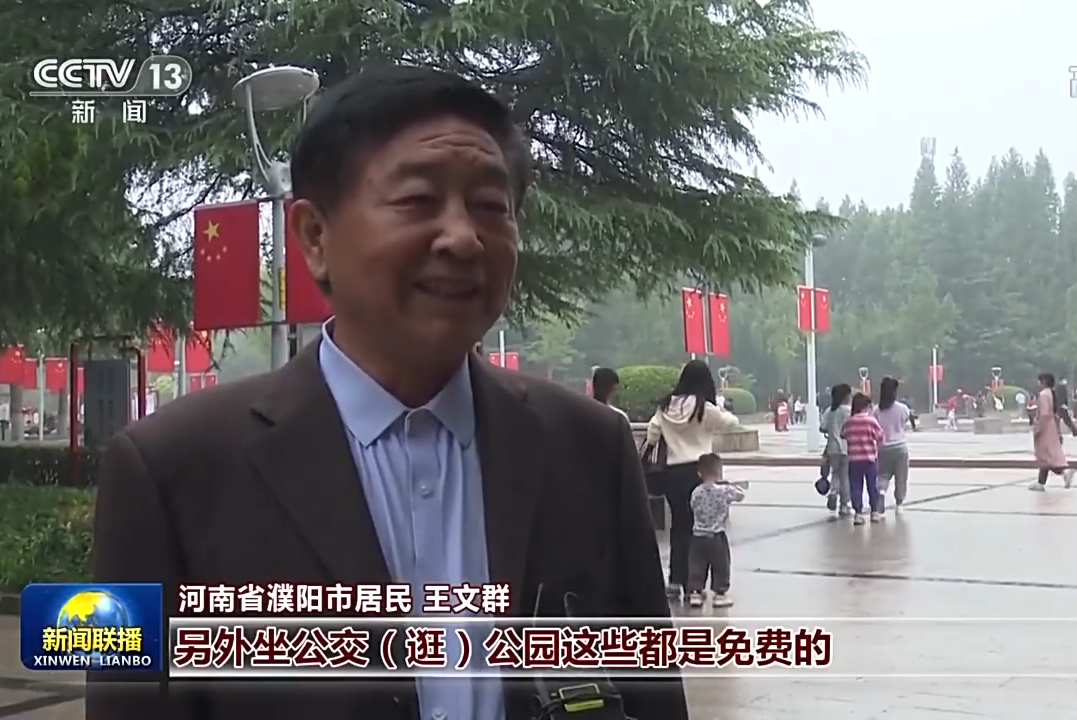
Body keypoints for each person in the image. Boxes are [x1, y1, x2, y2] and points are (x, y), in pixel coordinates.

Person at [88, 66, 688, 720]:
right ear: (315, 237)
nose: (462, 238)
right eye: (417, 200)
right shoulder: (173, 470)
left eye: (491, 207)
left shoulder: (589, 447)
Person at [645, 359, 740, 599]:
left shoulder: (665, 405)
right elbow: (731, 423)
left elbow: (652, 434)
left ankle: (675, 580)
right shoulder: (702, 407)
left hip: (672, 473)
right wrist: (721, 408)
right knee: (703, 529)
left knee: (679, 526)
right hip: (701, 472)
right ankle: (695, 585)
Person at [686, 453, 744, 609]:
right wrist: (731, 485)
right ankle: (719, 593)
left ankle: (696, 592)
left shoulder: (696, 492)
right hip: (717, 535)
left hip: (698, 536)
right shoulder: (724, 491)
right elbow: (740, 495)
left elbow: (692, 506)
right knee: (720, 565)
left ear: (699, 473)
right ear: (719, 471)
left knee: (697, 564)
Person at [840, 392, 884, 526]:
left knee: (856, 486)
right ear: (866, 406)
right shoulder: (871, 420)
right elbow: (880, 436)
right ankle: (874, 512)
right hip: (870, 459)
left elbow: (843, 434)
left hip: (854, 459)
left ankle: (858, 514)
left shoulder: (849, 421)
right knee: (872, 486)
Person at [1030, 372, 1077, 492]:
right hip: (1051, 427)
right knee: (1047, 457)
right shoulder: (1051, 393)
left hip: (1045, 428)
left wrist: (1038, 429)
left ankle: (1063, 473)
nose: (1038, 384)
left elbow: (1044, 414)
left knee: (1046, 457)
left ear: (1044, 382)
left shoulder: (1043, 395)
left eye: (1039, 381)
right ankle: (1042, 481)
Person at [874, 376, 913, 514]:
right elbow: (905, 421)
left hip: (883, 447)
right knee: (901, 477)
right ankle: (899, 504)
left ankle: (881, 493)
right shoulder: (902, 408)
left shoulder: (876, 410)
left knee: (882, 475)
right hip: (900, 447)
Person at [820, 383, 853, 518]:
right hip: (847, 447)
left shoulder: (829, 411)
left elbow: (822, 427)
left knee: (835, 473)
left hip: (832, 448)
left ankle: (833, 492)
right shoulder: (849, 411)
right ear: (846, 396)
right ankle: (844, 505)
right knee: (845, 477)